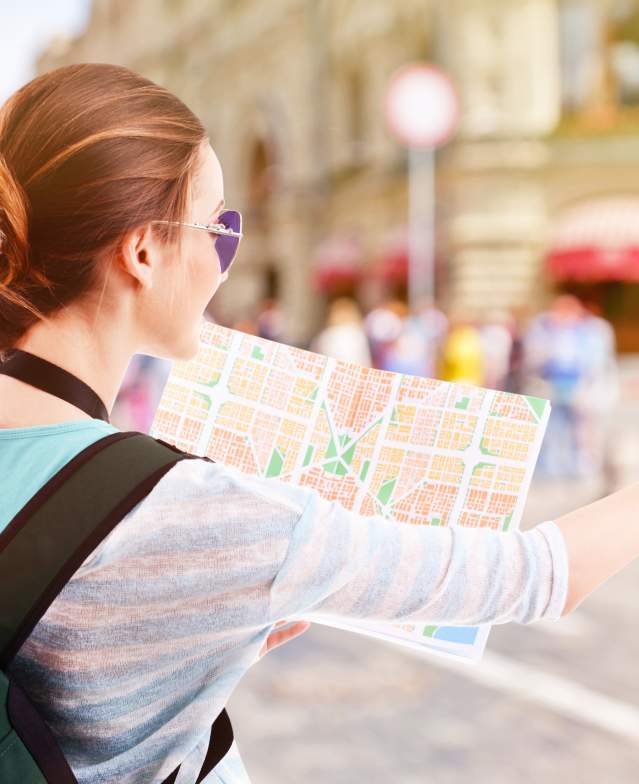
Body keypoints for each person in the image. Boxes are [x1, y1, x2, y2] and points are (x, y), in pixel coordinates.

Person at [0, 63, 637, 784]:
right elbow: (543, 574)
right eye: (219, 228)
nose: (223, 262)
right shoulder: (199, 510)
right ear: (143, 251)